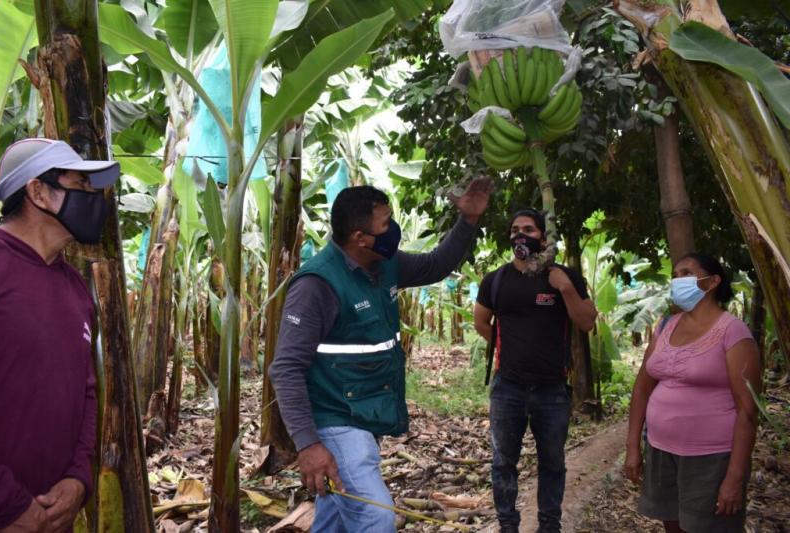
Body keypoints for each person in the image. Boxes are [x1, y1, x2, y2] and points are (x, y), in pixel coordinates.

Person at [269, 179, 492, 532]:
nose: (394, 230)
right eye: (386, 223)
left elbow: (435, 265)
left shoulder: (382, 262)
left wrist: (468, 221)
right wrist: (308, 445)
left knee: (337, 515)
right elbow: (285, 368)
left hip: (365, 410)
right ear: (360, 237)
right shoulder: (317, 284)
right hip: (337, 418)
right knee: (374, 515)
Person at [0, 138, 119, 532]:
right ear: (39, 191)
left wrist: (78, 478)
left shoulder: (75, 287)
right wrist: (6, 503)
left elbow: (86, 391)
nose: (95, 199)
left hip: (51, 512)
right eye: (81, 185)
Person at [474, 208, 597, 533]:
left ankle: (549, 526)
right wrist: (510, 348)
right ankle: (507, 525)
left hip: (552, 389)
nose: (520, 234)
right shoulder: (496, 280)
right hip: (508, 387)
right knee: (503, 463)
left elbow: (586, 322)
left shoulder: (564, 276)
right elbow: (480, 321)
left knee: (553, 463)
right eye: (515, 229)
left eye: (528, 228)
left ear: (543, 236)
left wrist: (566, 288)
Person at [624, 253, 760, 533]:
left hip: (711, 459)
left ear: (711, 282)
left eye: (686, 273)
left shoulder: (733, 332)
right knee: (672, 525)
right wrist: (632, 447)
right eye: (675, 274)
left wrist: (734, 477)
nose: (677, 280)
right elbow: (641, 389)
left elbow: (747, 411)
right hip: (662, 451)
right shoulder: (666, 326)